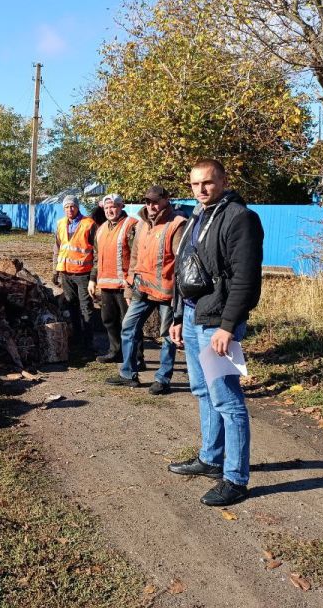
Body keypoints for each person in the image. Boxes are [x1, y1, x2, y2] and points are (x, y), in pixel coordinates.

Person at [167, 160, 263, 507]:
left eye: (208, 183)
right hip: (193, 317)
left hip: (218, 322)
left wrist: (227, 326)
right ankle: (210, 458)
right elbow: (185, 270)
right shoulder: (197, 216)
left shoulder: (240, 218)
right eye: (195, 184)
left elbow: (246, 280)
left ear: (223, 181)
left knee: (226, 398)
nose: (201, 189)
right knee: (202, 391)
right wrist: (177, 316)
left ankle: (236, 479)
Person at [111, 185, 186, 393]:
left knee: (168, 337)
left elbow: (182, 264)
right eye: (147, 201)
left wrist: (179, 298)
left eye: (155, 201)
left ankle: (163, 379)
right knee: (128, 327)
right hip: (142, 289)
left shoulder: (177, 224)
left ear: (166, 200)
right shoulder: (142, 224)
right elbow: (135, 257)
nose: (151, 205)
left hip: (167, 293)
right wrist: (129, 287)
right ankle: (128, 373)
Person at [88, 194, 143, 370]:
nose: (110, 211)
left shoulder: (131, 225)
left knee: (131, 323)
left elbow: (138, 256)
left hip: (126, 286)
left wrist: (133, 281)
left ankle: (137, 357)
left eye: (114, 207)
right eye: (107, 208)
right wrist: (92, 279)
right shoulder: (102, 228)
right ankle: (115, 351)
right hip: (106, 284)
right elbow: (97, 257)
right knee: (108, 319)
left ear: (121, 207)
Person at [52, 195, 98, 352]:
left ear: (77, 207)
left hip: (83, 274)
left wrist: (93, 276)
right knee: (71, 305)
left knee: (86, 307)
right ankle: (77, 339)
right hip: (66, 273)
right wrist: (55, 270)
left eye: (72, 206)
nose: (69, 209)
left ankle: (88, 342)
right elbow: (57, 249)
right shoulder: (60, 224)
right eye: (66, 207)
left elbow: (97, 252)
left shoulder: (89, 224)